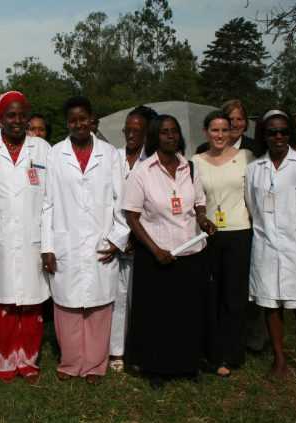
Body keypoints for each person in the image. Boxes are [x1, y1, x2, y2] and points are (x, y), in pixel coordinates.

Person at [122, 114, 216, 389]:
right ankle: (156, 368)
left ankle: (188, 364)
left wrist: (202, 219)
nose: (170, 136)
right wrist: (155, 249)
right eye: (164, 132)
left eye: (174, 132)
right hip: (157, 257)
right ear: (154, 137)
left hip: (191, 252)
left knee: (188, 313)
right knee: (158, 316)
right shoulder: (143, 172)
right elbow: (132, 216)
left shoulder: (191, 168)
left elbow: (198, 202)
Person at [41, 96, 130, 385]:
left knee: (99, 305)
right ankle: (70, 362)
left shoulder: (110, 155)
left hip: (101, 241)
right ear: (67, 123)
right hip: (65, 240)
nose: (78, 124)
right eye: (72, 120)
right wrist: (48, 246)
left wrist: (118, 239)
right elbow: (47, 204)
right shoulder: (55, 154)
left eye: (83, 119)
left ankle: (94, 365)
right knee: (67, 305)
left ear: (92, 120)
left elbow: (122, 202)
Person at [245, 109, 296, 387]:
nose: (278, 137)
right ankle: (279, 358)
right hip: (266, 247)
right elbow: (253, 208)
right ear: (264, 136)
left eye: (284, 131)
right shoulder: (255, 169)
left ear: (291, 134)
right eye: (272, 132)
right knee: (271, 304)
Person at [0, 91, 51, 383]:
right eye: (11, 115)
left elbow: (51, 198)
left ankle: (28, 360)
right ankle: (3, 360)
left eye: (22, 115)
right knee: (2, 301)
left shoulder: (42, 148)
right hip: (1, 239)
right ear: (0, 118)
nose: (17, 121)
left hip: (34, 236)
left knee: (32, 301)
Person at [193, 110, 254, 377]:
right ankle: (212, 353)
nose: (219, 135)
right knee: (211, 295)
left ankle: (233, 352)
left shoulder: (246, 158)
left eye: (224, 130)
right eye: (214, 130)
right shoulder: (195, 161)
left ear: (232, 132)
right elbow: (195, 201)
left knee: (234, 296)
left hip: (239, 232)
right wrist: (202, 219)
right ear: (206, 132)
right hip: (209, 234)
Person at [109, 106, 157, 373]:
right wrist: (117, 237)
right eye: (128, 129)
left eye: (137, 130)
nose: (131, 134)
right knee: (116, 297)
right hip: (114, 238)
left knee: (139, 299)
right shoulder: (112, 158)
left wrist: (133, 237)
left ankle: (137, 350)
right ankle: (115, 351)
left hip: (142, 239)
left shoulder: (151, 162)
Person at [195, 99, 260, 157]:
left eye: (239, 119)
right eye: (231, 119)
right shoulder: (203, 150)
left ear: (246, 122)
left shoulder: (255, 150)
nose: (235, 124)